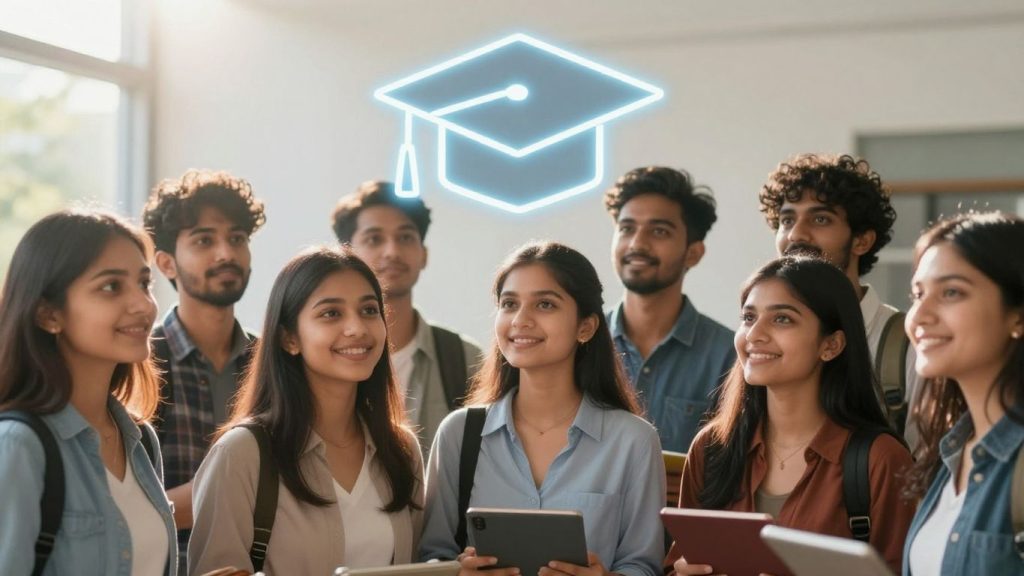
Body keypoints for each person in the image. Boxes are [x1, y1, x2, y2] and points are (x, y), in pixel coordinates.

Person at [420, 241, 665, 576]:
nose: (521, 320)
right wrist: (457, 572)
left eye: (545, 304)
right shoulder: (459, 433)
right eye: (509, 304)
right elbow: (429, 554)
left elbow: (644, 565)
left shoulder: (634, 441)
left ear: (586, 327)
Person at [672, 256, 914, 575]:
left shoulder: (880, 460)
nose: (754, 334)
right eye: (748, 317)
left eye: (782, 319)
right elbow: (677, 562)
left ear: (831, 345)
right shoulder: (712, 447)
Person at [189, 247, 424, 575]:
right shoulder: (242, 453)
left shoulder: (402, 450)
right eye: (331, 314)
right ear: (289, 338)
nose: (357, 328)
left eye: (369, 310)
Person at [0, 210, 176, 575]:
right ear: (49, 314)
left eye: (144, 284)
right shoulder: (19, 445)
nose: (143, 305)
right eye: (111, 287)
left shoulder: (141, 439)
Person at [141, 169, 265, 567]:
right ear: (166, 264)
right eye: (204, 240)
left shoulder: (274, 364)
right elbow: (116, 508)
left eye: (237, 238)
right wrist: (219, 493)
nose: (226, 253)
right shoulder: (137, 364)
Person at [760, 153, 920, 443]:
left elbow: (924, 470)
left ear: (862, 240)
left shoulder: (907, 345)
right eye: (787, 220)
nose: (797, 234)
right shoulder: (758, 338)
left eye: (820, 219)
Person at [903, 212, 1024, 575]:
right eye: (917, 294)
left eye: (951, 292)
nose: (919, 315)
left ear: (1018, 316)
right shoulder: (949, 451)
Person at [332, 181, 481, 452]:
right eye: (374, 239)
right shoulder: (322, 354)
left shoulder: (465, 360)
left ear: (424, 255)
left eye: (405, 237)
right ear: (346, 254)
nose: (392, 251)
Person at [603, 166, 735, 453]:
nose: (637, 243)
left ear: (693, 253)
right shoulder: (580, 342)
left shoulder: (731, 358)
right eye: (626, 229)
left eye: (659, 231)